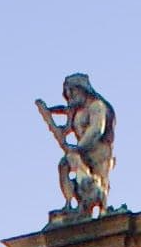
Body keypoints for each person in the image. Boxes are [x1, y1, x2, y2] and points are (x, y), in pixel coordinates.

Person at [37, 73, 116, 220]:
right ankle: (70, 203)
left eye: (72, 92)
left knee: (99, 182)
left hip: (99, 151)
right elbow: (67, 127)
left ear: (82, 89)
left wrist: (77, 148)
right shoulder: (76, 112)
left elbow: (96, 130)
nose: (70, 96)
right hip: (81, 152)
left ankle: (102, 210)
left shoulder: (97, 106)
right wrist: (50, 117)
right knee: (64, 165)